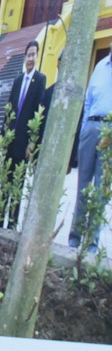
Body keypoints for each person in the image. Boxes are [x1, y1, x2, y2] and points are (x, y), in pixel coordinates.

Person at [72, 52, 112, 250]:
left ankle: (91, 243)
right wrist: (84, 129)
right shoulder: (100, 66)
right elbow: (88, 101)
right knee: (83, 185)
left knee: (100, 190)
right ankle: (74, 237)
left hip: (110, 130)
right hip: (91, 127)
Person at [5, 29, 50, 176]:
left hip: (24, 141)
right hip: (10, 138)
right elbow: (9, 108)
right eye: (28, 55)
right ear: (24, 58)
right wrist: (3, 134)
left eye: (33, 55)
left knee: (18, 181)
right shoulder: (17, 80)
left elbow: (39, 112)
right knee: (5, 180)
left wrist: (32, 142)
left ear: (37, 56)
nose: (30, 58)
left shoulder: (40, 80)